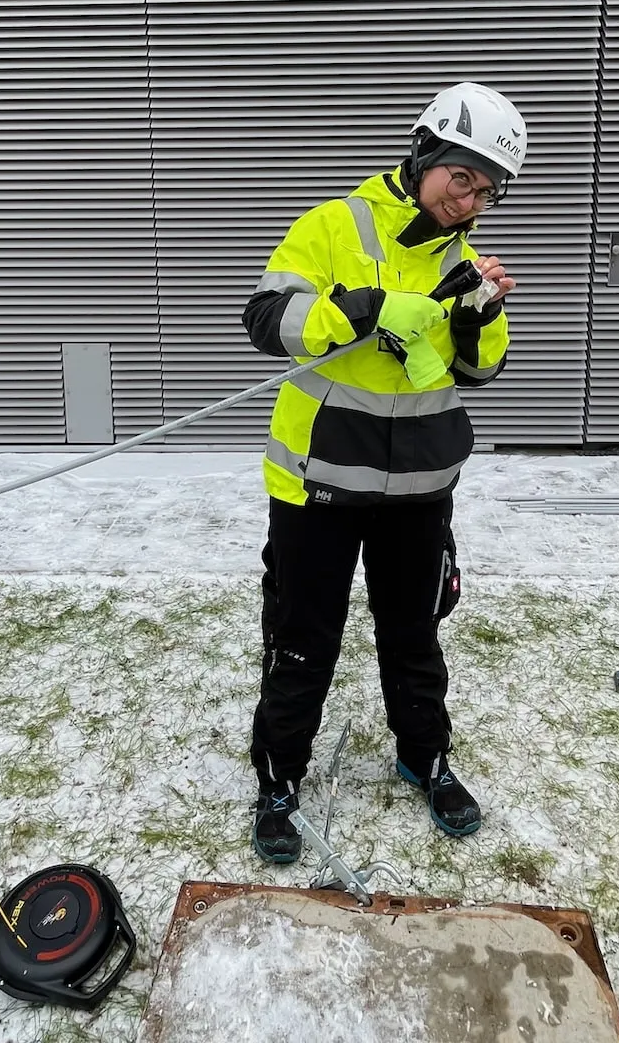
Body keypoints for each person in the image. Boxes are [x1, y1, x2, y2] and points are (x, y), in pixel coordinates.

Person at [239, 82, 525, 864]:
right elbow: (266, 319)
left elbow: (479, 372)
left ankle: (424, 757)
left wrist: (481, 318)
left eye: (486, 192)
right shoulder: (334, 225)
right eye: (461, 178)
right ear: (425, 152)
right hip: (320, 484)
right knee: (304, 640)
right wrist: (364, 307)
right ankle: (278, 781)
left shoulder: (464, 262)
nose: (469, 201)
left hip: (419, 488)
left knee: (414, 635)